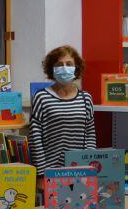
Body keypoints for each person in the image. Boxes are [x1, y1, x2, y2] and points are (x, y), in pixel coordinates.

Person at [28, 45, 96, 173]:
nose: (64, 68)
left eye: (69, 64)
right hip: (51, 171)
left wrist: (89, 165)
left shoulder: (86, 98)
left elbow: (90, 134)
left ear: (76, 68)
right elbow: (35, 138)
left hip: (80, 170)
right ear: (51, 69)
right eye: (59, 64)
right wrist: (41, 173)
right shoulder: (41, 97)